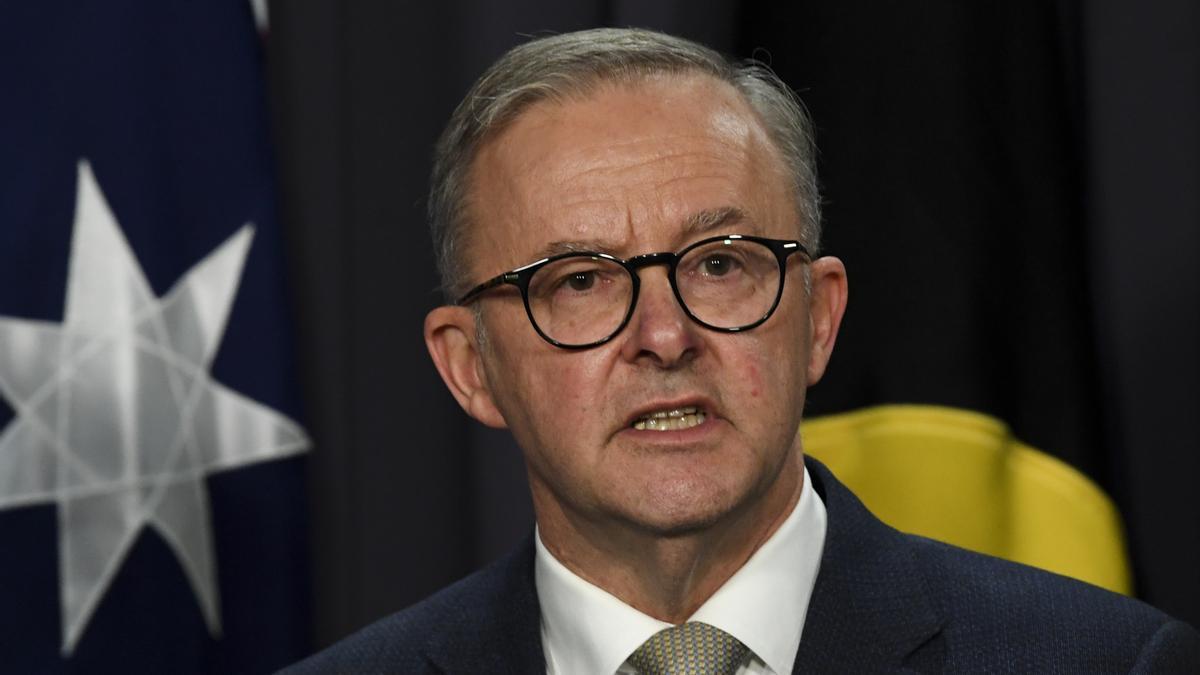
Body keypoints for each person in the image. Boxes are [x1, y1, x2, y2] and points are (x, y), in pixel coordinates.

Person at [284, 27, 1200, 674]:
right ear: (470, 366)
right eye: (579, 280)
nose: (665, 336)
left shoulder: (1102, 663)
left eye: (719, 263)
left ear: (818, 317)